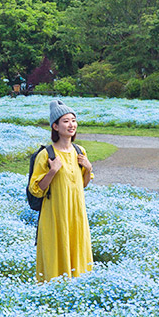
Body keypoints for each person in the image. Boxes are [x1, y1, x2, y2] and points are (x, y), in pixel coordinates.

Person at [29, 99, 94, 284]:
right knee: (56, 252)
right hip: (55, 215)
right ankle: (54, 292)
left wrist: (88, 169)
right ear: (55, 126)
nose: (71, 125)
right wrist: (52, 171)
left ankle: (78, 288)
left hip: (77, 214)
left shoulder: (79, 150)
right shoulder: (46, 154)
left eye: (73, 120)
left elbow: (82, 184)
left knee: (77, 249)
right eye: (65, 121)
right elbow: (36, 190)